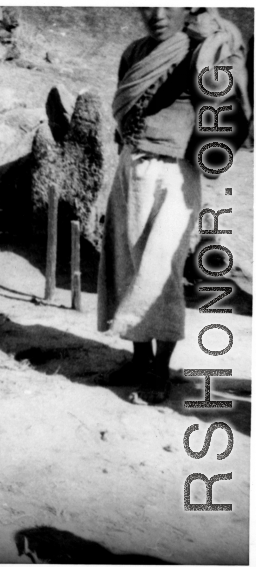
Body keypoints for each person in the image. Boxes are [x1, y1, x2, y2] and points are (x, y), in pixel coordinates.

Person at [98, 7, 250, 404]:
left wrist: (216, 32)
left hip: (176, 172)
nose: (158, 14)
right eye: (147, 6)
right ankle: (138, 359)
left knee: (161, 268)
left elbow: (230, 95)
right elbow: (125, 108)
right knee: (129, 263)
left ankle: (160, 372)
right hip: (132, 167)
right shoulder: (134, 52)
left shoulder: (204, 47)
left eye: (168, 5)